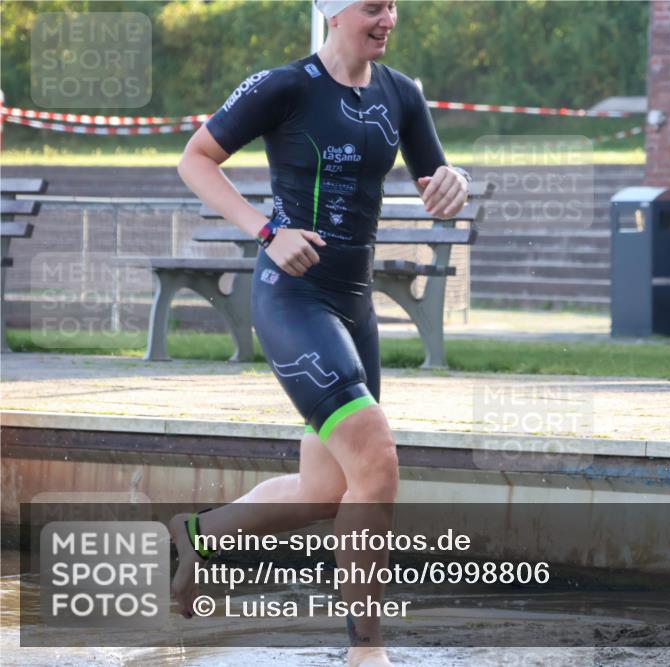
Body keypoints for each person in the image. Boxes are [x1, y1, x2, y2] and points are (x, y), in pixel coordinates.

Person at [171, 1, 469, 665]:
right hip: (293, 299)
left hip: (354, 310)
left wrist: (455, 182)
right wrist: (267, 232)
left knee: (323, 492)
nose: (387, 17)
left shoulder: (402, 94)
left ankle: (203, 534)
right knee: (378, 462)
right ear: (334, 13)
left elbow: (435, 178)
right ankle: (366, 648)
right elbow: (195, 160)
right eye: (372, 6)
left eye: (394, 5)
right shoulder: (285, 86)